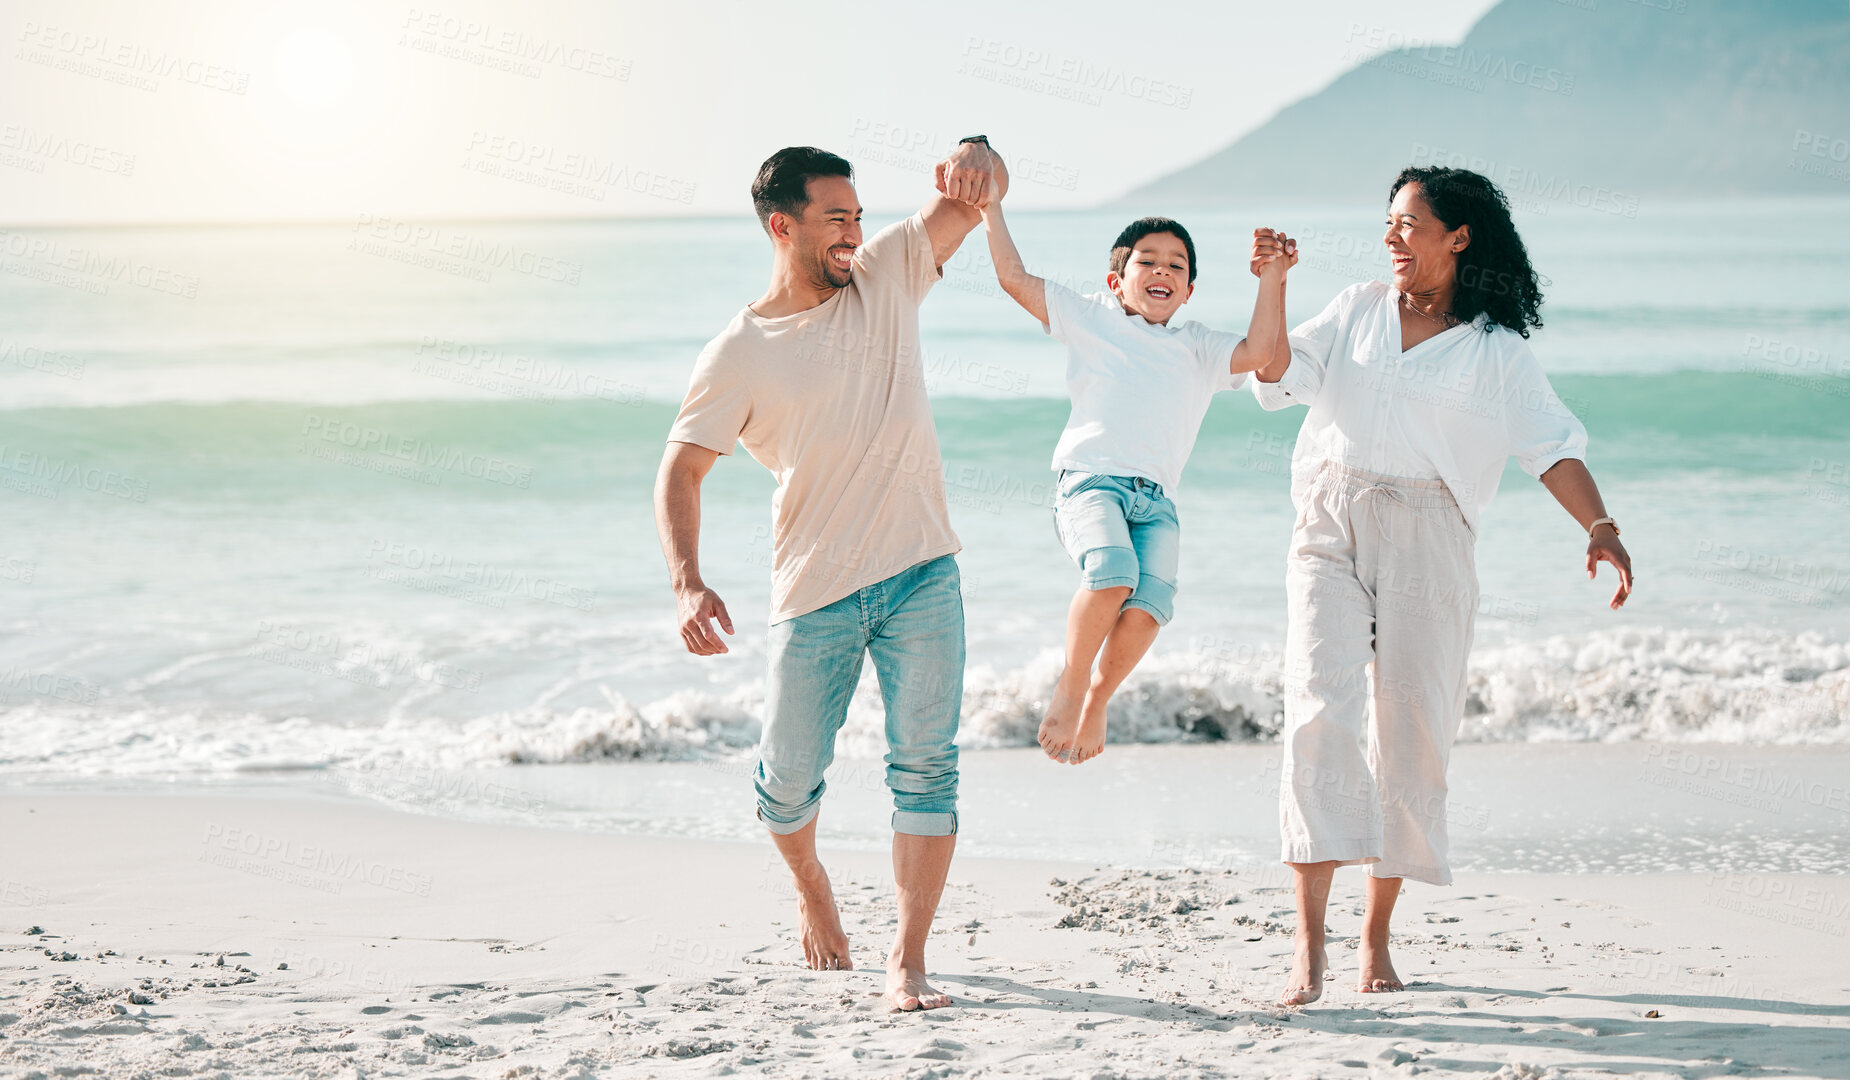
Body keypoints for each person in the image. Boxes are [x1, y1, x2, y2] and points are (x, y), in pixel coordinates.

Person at [1247, 167, 1634, 1006]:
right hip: (1330, 521)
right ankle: (1306, 946)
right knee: (1318, 710)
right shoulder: (1354, 309)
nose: (1391, 235)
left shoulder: (1498, 352)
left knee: (1413, 733)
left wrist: (1599, 527)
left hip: (1433, 534)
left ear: (1458, 237)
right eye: (1388, 221)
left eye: (1410, 223)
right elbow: (1276, 374)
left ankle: (1374, 937)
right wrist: (1274, 285)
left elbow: (1551, 450)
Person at [652, 139, 1006, 1011]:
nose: (854, 231)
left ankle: (907, 958)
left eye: (857, 214)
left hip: (924, 571)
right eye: (835, 218)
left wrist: (979, 153)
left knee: (927, 769)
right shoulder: (738, 352)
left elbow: (976, 197)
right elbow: (680, 470)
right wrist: (688, 582)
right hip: (815, 590)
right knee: (784, 783)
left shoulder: (887, 272)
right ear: (784, 226)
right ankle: (812, 886)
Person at [980, 200, 1292, 763]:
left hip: (1158, 503)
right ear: (1116, 280)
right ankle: (1072, 686)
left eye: (1177, 266)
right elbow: (1013, 278)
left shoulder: (1197, 345)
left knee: (1149, 607)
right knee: (1111, 573)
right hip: (1091, 483)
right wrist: (990, 207)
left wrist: (1273, 278)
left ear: (1189, 290)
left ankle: (1099, 698)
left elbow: (1262, 353)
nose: (1163, 272)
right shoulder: (1093, 318)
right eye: (1147, 261)